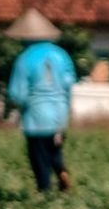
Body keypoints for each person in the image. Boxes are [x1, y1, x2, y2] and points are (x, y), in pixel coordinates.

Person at [5, 14, 77, 194]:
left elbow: (17, 93)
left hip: (37, 117)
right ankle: (61, 170)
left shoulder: (25, 58)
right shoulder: (62, 55)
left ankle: (44, 191)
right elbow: (69, 82)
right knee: (54, 150)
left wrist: (19, 106)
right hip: (60, 114)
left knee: (39, 157)